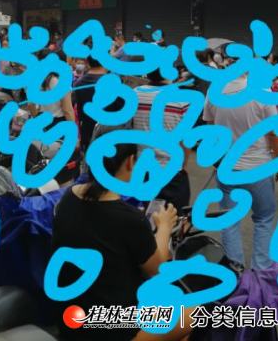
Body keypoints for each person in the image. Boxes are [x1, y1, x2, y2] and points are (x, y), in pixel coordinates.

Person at [51, 131, 193, 341]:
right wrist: (164, 227)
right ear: (130, 162)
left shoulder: (68, 198)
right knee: (195, 314)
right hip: (111, 327)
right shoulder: (129, 219)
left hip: (70, 318)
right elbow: (157, 269)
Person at [202, 72, 278, 270]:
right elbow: (274, 133)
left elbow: (211, 129)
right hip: (258, 167)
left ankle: (235, 270)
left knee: (229, 220)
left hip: (227, 167)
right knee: (264, 218)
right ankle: (261, 271)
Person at [132, 69, 191, 210]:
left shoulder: (135, 94)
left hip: (141, 168)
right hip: (170, 171)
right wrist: (183, 166)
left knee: (141, 214)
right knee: (172, 216)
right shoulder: (182, 100)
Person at [72, 56, 108, 154]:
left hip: (87, 131)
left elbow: (77, 111)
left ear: (87, 61)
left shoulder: (78, 84)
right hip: (108, 133)